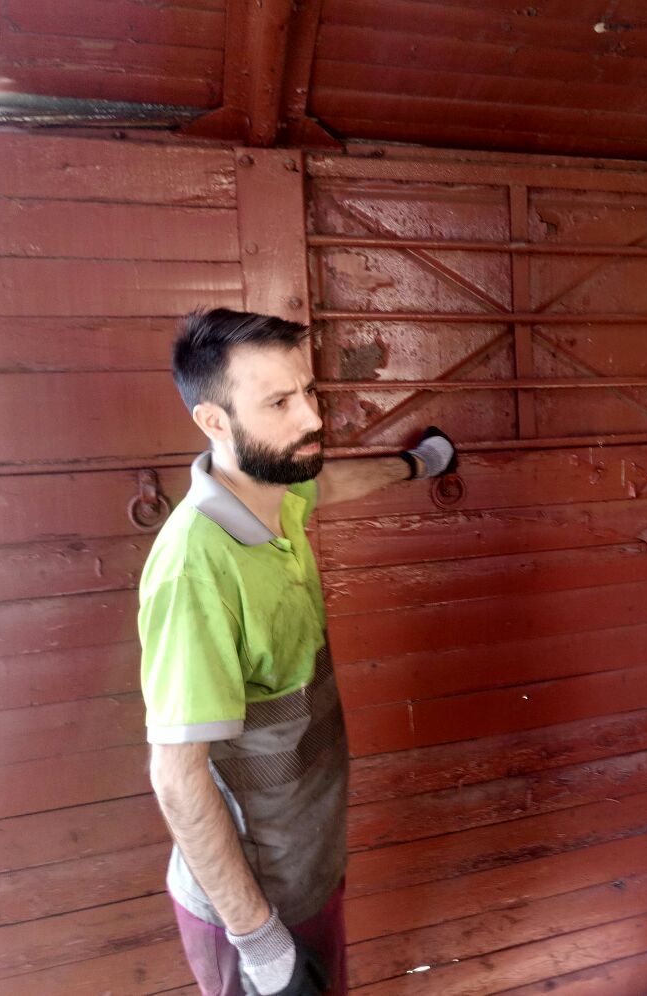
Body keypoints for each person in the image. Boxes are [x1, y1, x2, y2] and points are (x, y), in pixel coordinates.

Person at [138, 309, 457, 996]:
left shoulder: (274, 491)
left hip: (308, 862)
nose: (311, 418)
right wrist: (259, 942)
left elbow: (326, 484)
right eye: (279, 402)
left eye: (307, 392)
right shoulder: (194, 570)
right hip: (256, 903)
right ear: (214, 422)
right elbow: (176, 776)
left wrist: (414, 465)